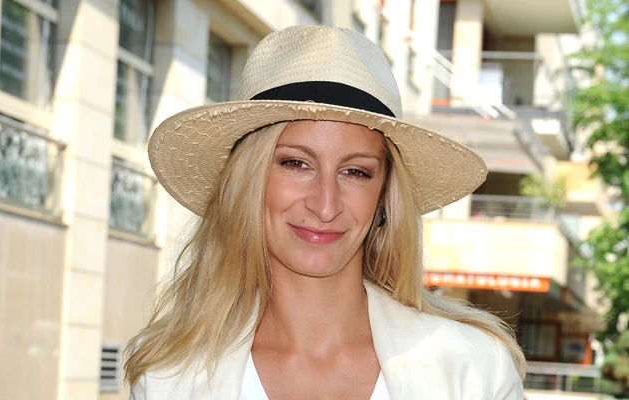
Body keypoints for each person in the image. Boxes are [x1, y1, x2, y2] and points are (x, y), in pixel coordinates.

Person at [126, 25, 526, 399]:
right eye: (296, 163)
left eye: (355, 172)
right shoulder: (167, 378)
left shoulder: (476, 371)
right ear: (248, 181)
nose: (325, 205)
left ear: (384, 197)